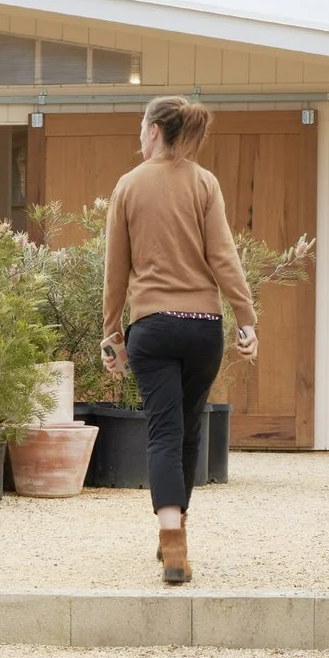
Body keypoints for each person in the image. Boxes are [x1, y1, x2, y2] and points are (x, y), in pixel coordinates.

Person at [100, 96, 257, 584]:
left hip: (153, 328)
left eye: (139, 126)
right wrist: (246, 318)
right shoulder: (203, 182)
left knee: (164, 432)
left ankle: (173, 541)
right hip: (202, 328)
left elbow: (115, 271)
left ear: (152, 131)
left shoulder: (128, 186)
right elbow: (224, 256)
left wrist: (111, 333)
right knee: (189, 430)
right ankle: (177, 536)